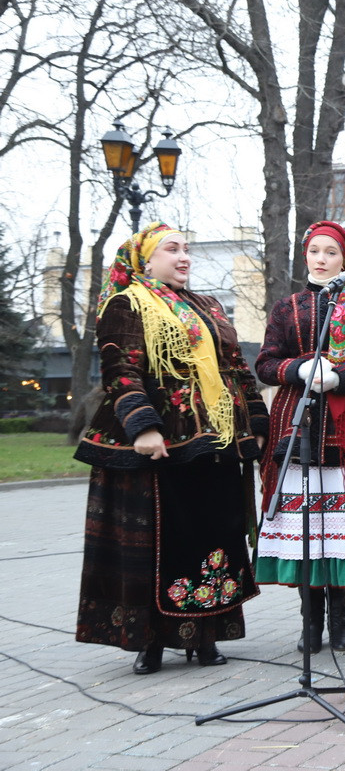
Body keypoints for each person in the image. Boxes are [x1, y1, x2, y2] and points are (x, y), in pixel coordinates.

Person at [75, 222, 267, 675]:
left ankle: (207, 635)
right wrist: (142, 426)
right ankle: (152, 642)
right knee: (164, 544)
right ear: (146, 260)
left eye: (187, 249)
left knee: (213, 536)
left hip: (215, 442)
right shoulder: (126, 302)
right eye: (172, 249)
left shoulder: (209, 306)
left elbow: (237, 368)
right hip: (163, 444)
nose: (184, 257)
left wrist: (255, 422)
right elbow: (120, 369)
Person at [254, 221, 345, 653]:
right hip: (298, 427)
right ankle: (310, 625)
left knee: (338, 535)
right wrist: (299, 369)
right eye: (315, 252)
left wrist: (342, 378)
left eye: (331, 252)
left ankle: (340, 622)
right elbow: (266, 364)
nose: (322, 259)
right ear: (305, 256)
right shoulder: (287, 307)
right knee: (308, 535)